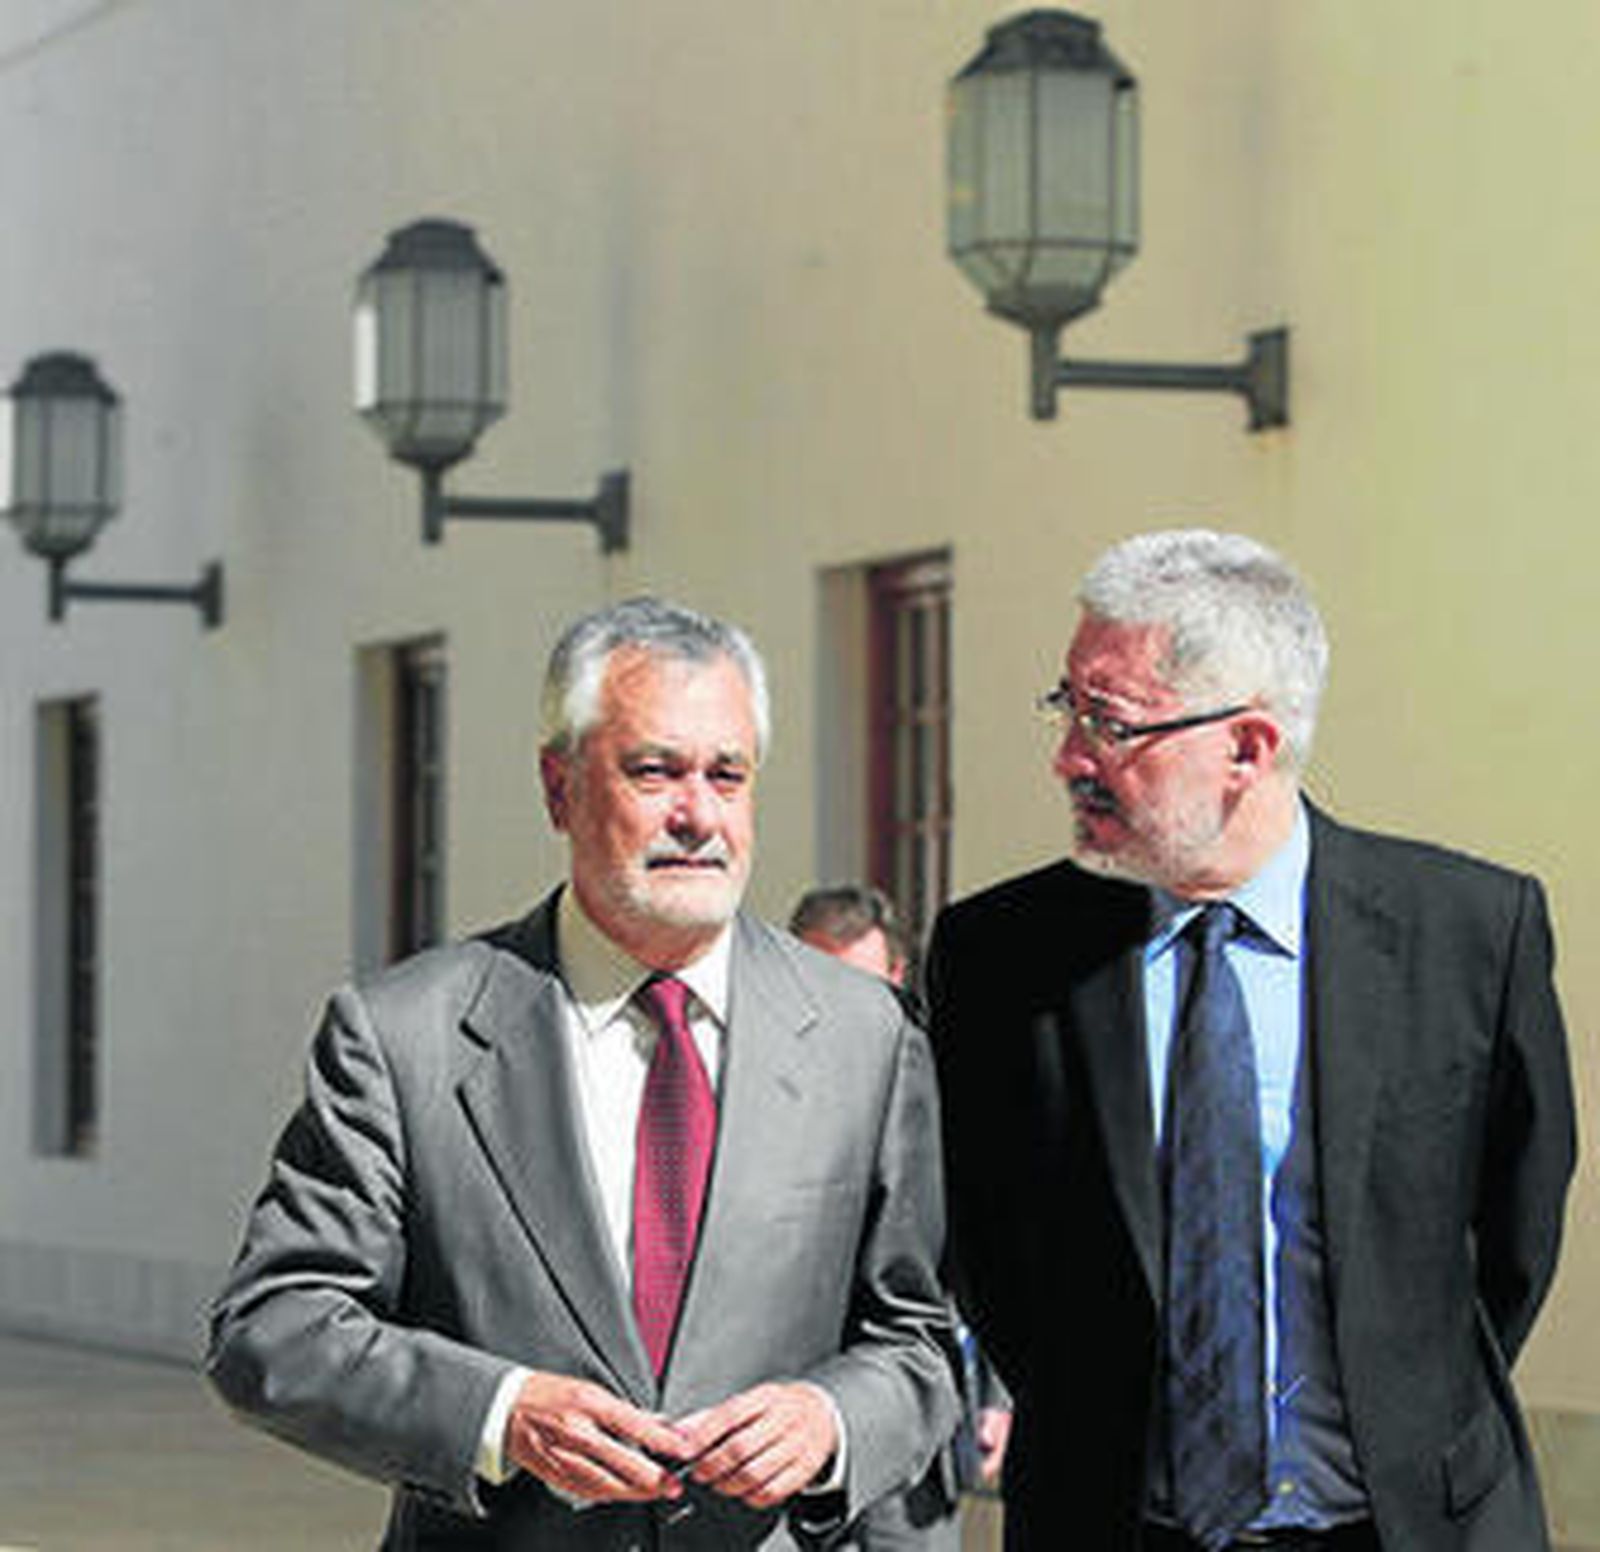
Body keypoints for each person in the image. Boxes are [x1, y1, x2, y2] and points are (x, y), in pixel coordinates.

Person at [209, 597, 958, 1551]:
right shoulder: (406, 1036)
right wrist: (501, 1414)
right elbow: (271, 1328)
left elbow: (922, 1342)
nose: (699, 814)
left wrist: (832, 1419)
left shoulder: (867, 1037)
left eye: (727, 775)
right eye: (655, 771)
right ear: (560, 787)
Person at [925, 530, 1576, 1552]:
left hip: (1407, 1524)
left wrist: (1408, 1402)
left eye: (1110, 723)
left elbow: (1514, 1233)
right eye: (1067, 708)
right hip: (1117, 1525)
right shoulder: (1001, 958)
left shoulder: (1466, 935)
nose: (1068, 756)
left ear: (1247, 747)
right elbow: (990, 1249)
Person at [790, 885, 1013, 1552]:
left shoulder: (946, 1082)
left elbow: (993, 1247)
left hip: (912, 1437)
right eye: (818, 975)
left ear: (896, 975)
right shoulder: (744, 1073)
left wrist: (998, 1396)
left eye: (855, 981)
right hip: (780, 1429)